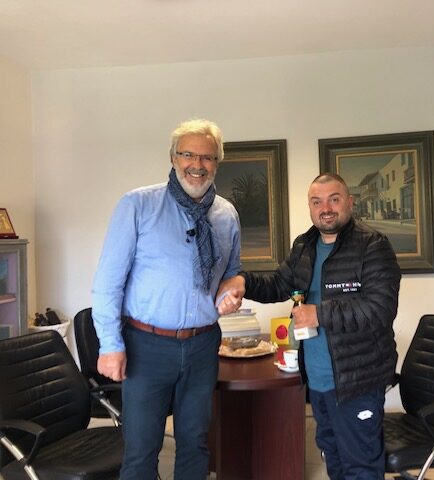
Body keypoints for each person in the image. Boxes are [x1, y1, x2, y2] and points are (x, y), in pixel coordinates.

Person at [217, 172, 401, 479]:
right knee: (334, 460)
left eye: (333, 199)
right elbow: (279, 284)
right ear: (310, 207)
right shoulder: (305, 245)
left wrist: (319, 314)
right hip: (317, 381)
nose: (325, 208)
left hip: (357, 382)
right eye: (317, 202)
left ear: (350, 202)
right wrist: (243, 281)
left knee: (361, 467)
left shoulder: (372, 245)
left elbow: (380, 308)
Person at [92, 119, 242, 480]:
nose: (197, 164)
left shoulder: (227, 214)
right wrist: (110, 345)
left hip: (203, 345)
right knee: (141, 451)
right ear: (173, 158)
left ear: (217, 163)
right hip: (146, 346)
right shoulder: (137, 205)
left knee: (195, 444)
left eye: (207, 157)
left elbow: (233, 271)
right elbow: (108, 283)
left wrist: (232, 289)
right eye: (188, 154)